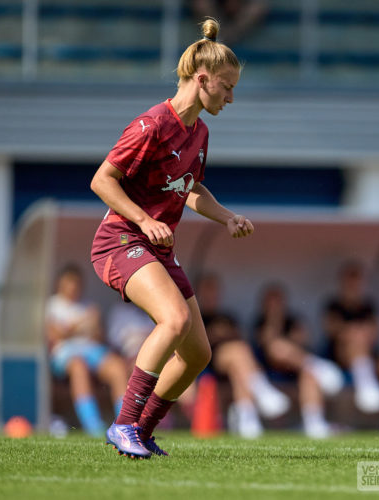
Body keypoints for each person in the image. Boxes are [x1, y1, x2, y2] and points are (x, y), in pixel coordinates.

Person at [90, 18, 252, 459]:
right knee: (174, 320)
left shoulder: (199, 132)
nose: (231, 97)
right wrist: (144, 220)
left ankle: (141, 431)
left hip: (158, 248)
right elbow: (102, 180)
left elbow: (191, 189)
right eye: (226, 87)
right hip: (120, 241)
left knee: (198, 353)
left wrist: (227, 217)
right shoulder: (151, 124)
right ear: (202, 79)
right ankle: (123, 424)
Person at [196, 273, 290, 439]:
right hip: (207, 361)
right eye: (207, 290)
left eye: (214, 290)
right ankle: (260, 389)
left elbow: (240, 337)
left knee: (239, 361)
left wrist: (225, 333)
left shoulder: (227, 316)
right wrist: (213, 334)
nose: (212, 295)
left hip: (232, 362)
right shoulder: (196, 315)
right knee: (238, 354)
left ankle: (248, 421)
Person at [323, 261, 379, 437]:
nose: (354, 285)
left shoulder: (369, 306)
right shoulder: (333, 305)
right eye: (350, 280)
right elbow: (332, 329)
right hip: (341, 361)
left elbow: (376, 331)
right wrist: (354, 332)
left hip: (370, 357)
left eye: (357, 281)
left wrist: (361, 333)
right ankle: (365, 383)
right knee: (355, 337)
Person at [45, 264, 128, 436]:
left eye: (76, 284)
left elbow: (98, 335)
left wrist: (75, 328)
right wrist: (82, 325)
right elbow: (55, 335)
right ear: (60, 284)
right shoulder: (52, 305)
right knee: (78, 367)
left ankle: (125, 422)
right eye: (70, 283)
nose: (73, 288)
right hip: (65, 354)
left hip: (92, 351)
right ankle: (94, 426)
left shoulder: (88, 305)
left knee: (117, 367)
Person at [253, 283, 344, 438]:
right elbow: (268, 344)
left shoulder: (293, 320)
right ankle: (317, 365)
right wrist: (274, 318)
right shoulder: (261, 322)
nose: (275, 305)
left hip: (295, 369)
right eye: (271, 301)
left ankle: (314, 424)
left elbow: (303, 340)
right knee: (277, 348)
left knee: (309, 374)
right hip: (269, 372)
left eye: (278, 301)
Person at [190, 0, 269, 45]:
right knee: (201, 3)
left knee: (257, 8)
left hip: (241, 12)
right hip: (216, 7)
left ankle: (229, 35)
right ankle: (218, 33)